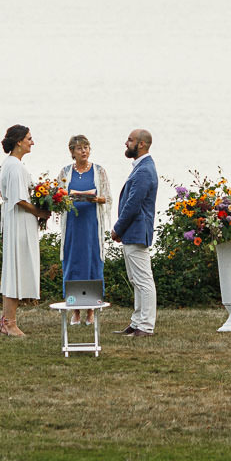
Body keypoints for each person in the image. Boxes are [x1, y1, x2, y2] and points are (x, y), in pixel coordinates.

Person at [0, 124, 48, 337]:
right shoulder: (15, 166)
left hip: (15, 221)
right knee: (16, 270)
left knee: (13, 269)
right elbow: (19, 199)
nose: (32, 142)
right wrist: (40, 212)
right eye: (29, 138)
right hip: (19, 222)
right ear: (19, 141)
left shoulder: (10, 164)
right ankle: (10, 323)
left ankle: (6, 320)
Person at [56, 134, 112, 325]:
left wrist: (97, 199)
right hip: (72, 225)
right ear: (72, 151)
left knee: (92, 264)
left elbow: (107, 197)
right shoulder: (65, 172)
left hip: (91, 226)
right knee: (73, 265)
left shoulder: (99, 171)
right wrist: (66, 198)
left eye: (86, 147)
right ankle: (75, 310)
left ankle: (91, 311)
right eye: (80, 148)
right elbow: (58, 197)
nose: (84, 151)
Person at [110, 128, 158, 337]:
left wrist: (117, 228)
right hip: (133, 231)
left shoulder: (145, 170)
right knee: (135, 280)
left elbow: (133, 204)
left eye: (130, 140)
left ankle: (146, 325)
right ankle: (136, 322)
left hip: (137, 231)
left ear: (141, 144)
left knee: (143, 280)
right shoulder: (141, 167)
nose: (126, 143)